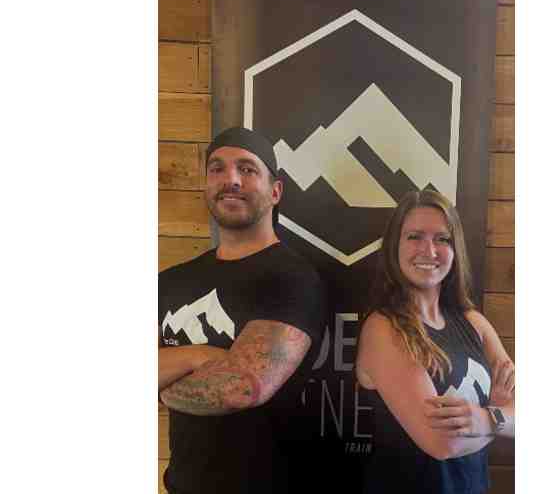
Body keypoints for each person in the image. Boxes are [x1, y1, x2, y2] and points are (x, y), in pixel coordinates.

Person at [158, 127, 326, 494]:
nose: (230, 179)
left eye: (247, 169)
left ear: (275, 191)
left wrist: (162, 381)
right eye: (217, 168)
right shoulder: (168, 282)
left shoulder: (293, 279)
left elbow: (243, 388)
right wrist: (199, 356)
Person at [356, 190, 514, 494]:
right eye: (414, 237)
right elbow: (442, 442)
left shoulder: (474, 323)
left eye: (442, 239)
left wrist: (486, 419)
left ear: (455, 250)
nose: (429, 251)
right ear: (394, 246)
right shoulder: (383, 328)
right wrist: (497, 416)